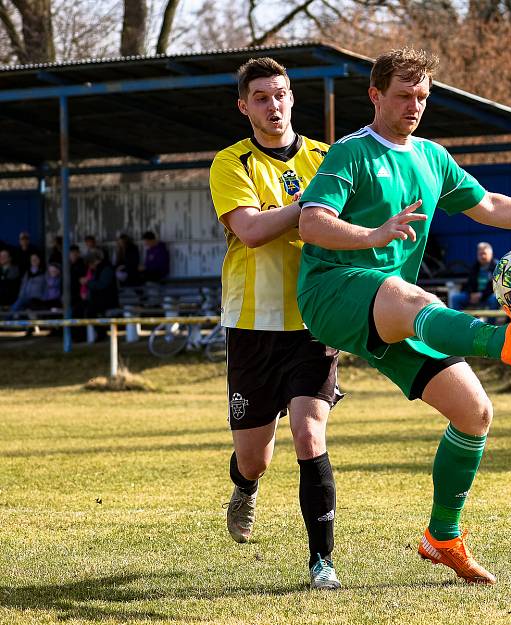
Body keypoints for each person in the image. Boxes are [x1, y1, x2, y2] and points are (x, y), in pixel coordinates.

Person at [297, 48, 511, 585]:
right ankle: (502, 341)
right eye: (403, 96)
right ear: (375, 96)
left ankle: (443, 537)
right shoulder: (351, 154)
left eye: (422, 97)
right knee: (410, 297)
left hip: (394, 311)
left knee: (475, 412)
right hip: (331, 292)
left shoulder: (433, 158)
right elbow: (311, 224)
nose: (414, 105)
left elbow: (489, 206)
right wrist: (373, 235)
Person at [208, 57, 343, 590]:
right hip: (251, 325)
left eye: (281, 93)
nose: (273, 104)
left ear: (292, 98)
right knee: (256, 457)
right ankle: (244, 486)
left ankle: (322, 563)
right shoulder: (231, 163)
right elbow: (252, 230)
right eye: (261, 96)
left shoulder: (326, 157)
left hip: (315, 321)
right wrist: (309, 209)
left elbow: (346, 222)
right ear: (245, 106)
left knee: (310, 435)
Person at [450, 242, 499, 313]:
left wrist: (481, 294)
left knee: (493, 299)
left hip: (488, 295)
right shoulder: (475, 267)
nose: (482, 256)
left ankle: (490, 324)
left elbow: (496, 287)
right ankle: (459, 322)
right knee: (455, 298)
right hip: (474, 295)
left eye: (484, 253)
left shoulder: (497, 267)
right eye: (480, 254)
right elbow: (469, 283)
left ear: (491, 254)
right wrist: (471, 294)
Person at [82, 249, 118, 340]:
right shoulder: (99, 269)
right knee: (83, 309)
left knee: (90, 312)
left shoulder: (106, 269)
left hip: (107, 300)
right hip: (100, 299)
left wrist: (88, 283)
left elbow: (102, 285)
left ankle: (101, 333)